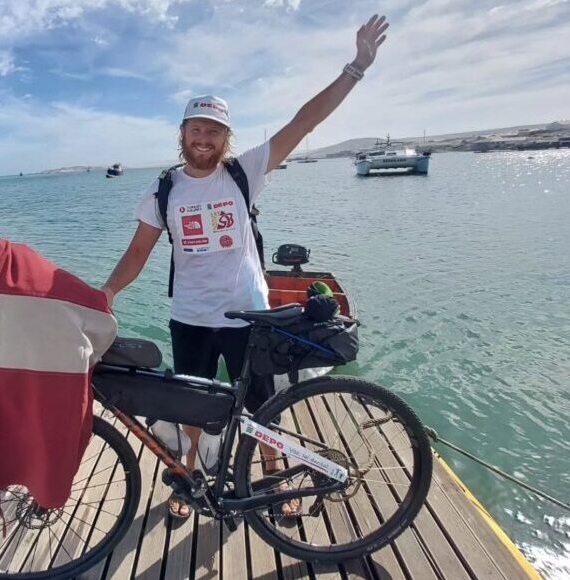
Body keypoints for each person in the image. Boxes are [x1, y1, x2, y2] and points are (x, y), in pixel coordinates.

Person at [101, 15, 389, 519]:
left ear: (226, 137)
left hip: (247, 316)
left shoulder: (244, 173)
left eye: (214, 130)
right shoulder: (163, 189)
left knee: (262, 406)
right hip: (190, 316)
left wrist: (356, 67)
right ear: (182, 134)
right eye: (196, 129)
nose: (204, 138)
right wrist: (103, 295)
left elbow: (305, 121)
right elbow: (139, 251)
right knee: (189, 406)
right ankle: (187, 479)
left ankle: (275, 479)